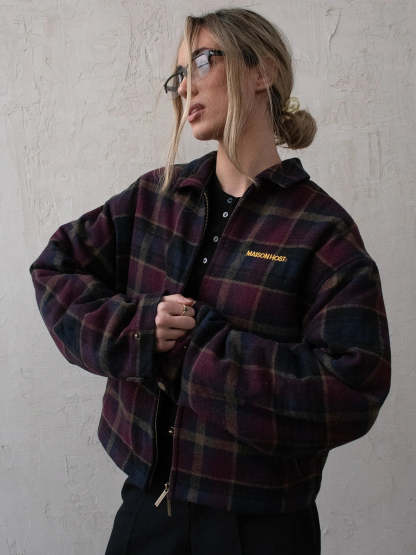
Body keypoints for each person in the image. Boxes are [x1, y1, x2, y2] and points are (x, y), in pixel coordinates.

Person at [29, 7, 391, 555]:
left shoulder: (320, 230)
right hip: (147, 508)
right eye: (178, 75)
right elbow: (54, 268)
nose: (184, 88)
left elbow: (352, 389)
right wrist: (139, 329)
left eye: (201, 61)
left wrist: (197, 352)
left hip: (263, 529)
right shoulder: (155, 197)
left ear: (261, 70)